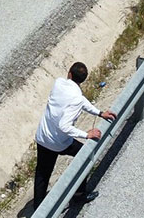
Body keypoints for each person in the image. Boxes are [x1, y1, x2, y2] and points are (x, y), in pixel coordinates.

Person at [31, 62, 117, 208]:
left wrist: (99, 113)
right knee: (84, 157)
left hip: (43, 137)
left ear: (69, 74)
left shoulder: (58, 83)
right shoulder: (75, 97)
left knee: (42, 174)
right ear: (83, 79)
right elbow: (64, 126)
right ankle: (79, 195)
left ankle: (38, 209)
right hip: (59, 142)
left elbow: (80, 100)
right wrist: (86, 134)